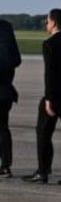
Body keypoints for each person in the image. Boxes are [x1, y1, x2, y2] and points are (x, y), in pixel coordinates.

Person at [23, 8, 61, 185]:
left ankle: (43, 171)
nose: (46, 24)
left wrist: (49, 99)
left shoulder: (49, 44)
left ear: (54, 22)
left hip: (55, 95)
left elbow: (50, 74)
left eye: (47, 21)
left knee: (43, 133)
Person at [0, 18, 21, 178]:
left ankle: (6, 164)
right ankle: (5, 165)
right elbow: (15, 59)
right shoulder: (6, 27)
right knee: (2, 127)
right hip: (4, 88)